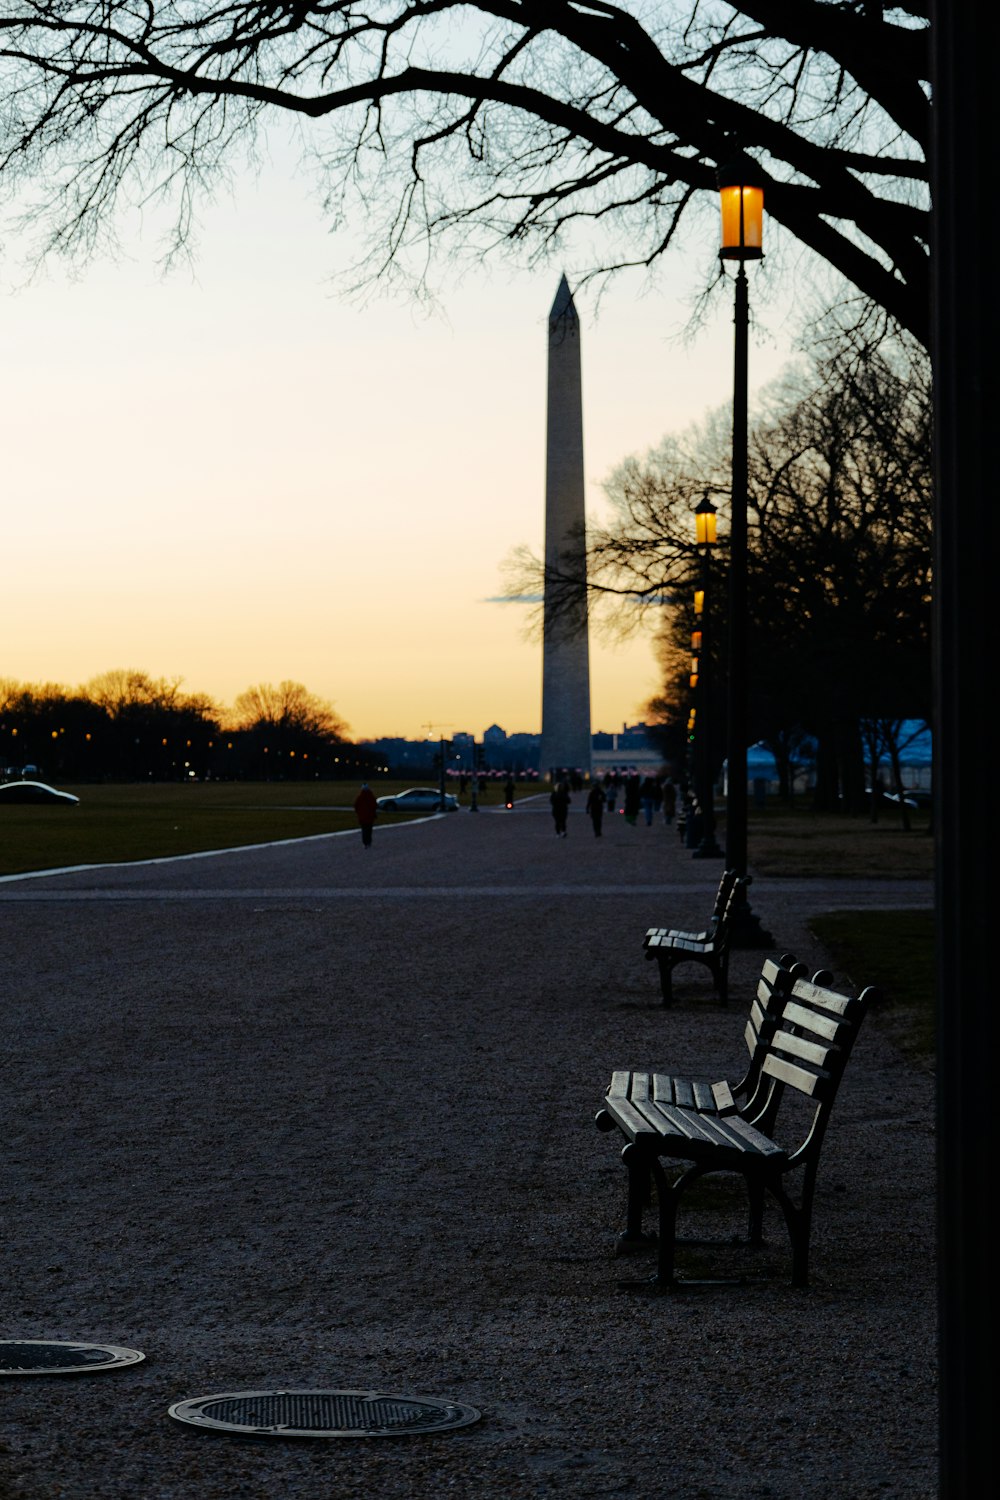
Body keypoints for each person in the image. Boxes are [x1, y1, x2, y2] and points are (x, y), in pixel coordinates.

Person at [354, 782, 378, 848]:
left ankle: (365, 843)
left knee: (364, 830)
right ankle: (369, 842)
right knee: (369, 830)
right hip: (370, 817)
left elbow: (356, 806)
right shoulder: (371, 796)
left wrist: (359, 813)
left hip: (362, 817)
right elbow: (375, 806)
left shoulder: (360, 797)